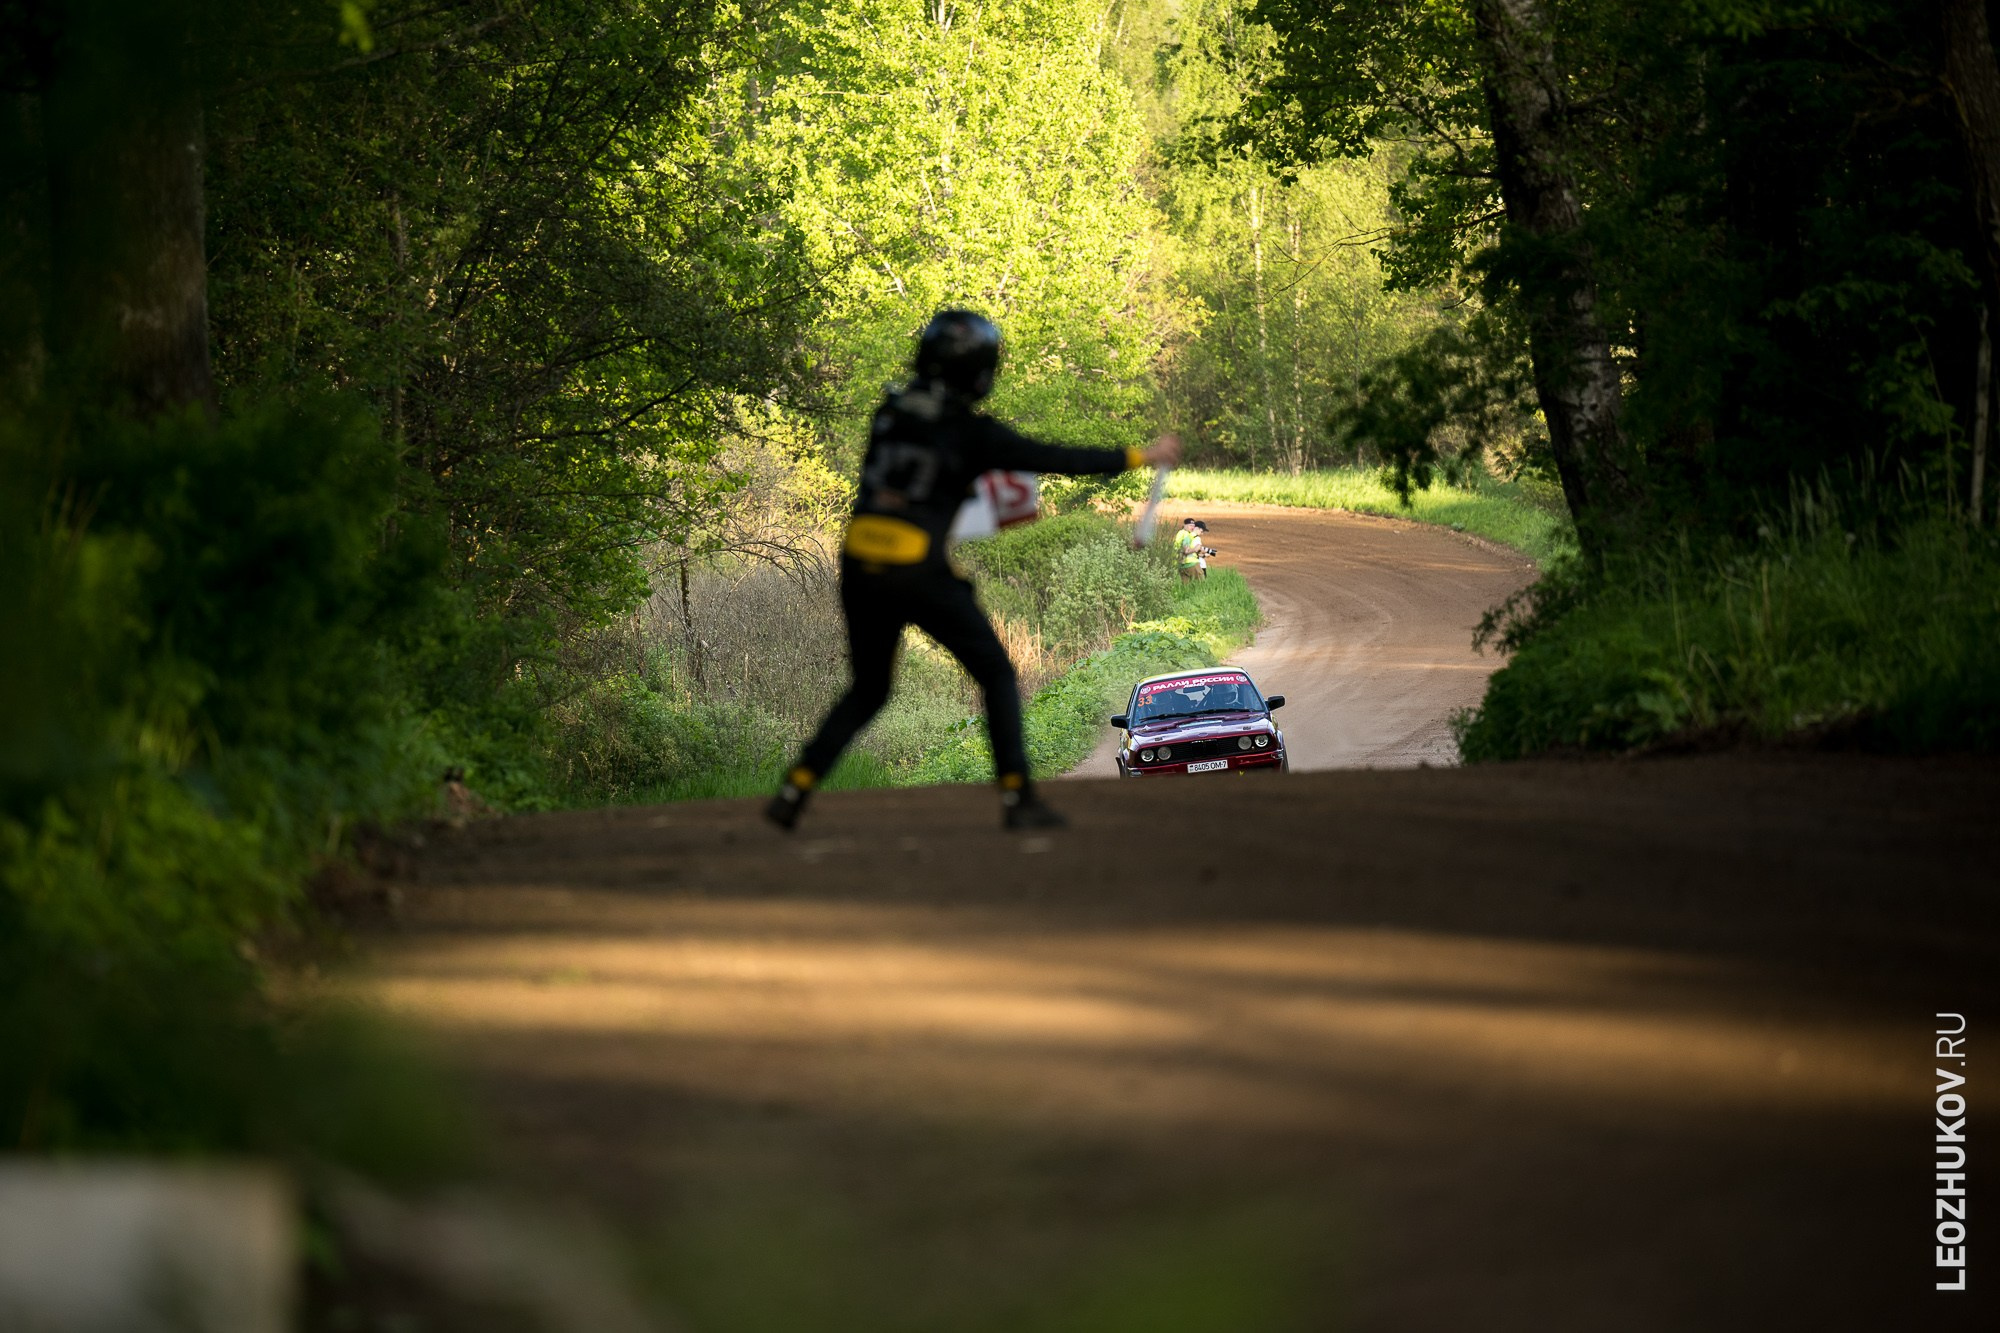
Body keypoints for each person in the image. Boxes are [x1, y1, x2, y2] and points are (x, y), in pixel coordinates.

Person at [767, 309, 1182, 832]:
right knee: (995, 674)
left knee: (869, 690)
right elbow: (1052, 456)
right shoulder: (971, 432)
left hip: (858, 563)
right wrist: (1142, 456)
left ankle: (795, 788)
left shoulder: (888, 412)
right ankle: (1017, 798)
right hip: (915, 570)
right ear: (979, 374)